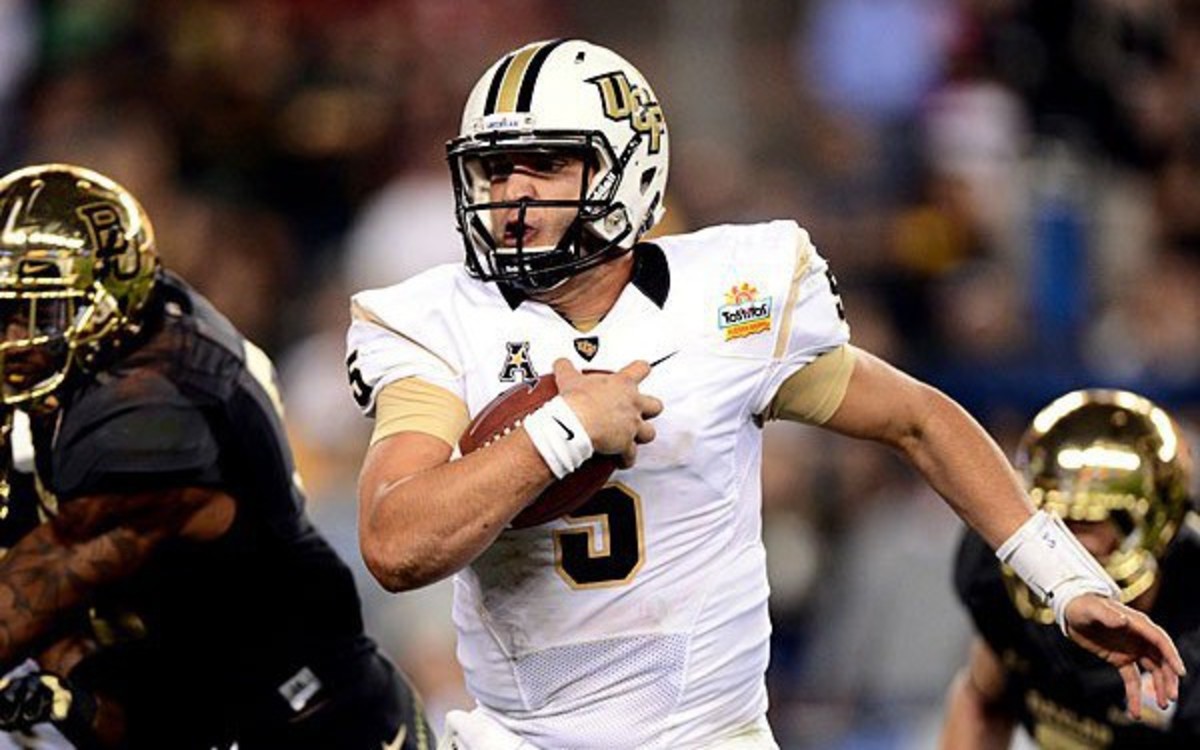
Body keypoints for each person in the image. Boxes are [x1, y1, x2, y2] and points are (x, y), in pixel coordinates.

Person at [346, 39, 1184, 750]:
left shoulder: (733, 298)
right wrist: (560, 432)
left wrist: (1066, 581)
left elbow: (920, 422)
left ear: (626, 169)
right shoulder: (432, 321)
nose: (514, 195)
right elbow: (394, 541)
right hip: (521, 739)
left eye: (546, 164)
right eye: (495, 170)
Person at [0, 164, 434, 749]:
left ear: (108, 301)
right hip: (174, 704)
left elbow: (39, 587)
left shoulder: (159, 400)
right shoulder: (90, 365)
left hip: (305, 723)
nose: (10, 339)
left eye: (34, 316)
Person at [941, 389, 1200, 748]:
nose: (1068, 545)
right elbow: (984, 700)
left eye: (1087, 522)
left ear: (1154, 524)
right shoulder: (999, 577)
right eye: (1054, 522)